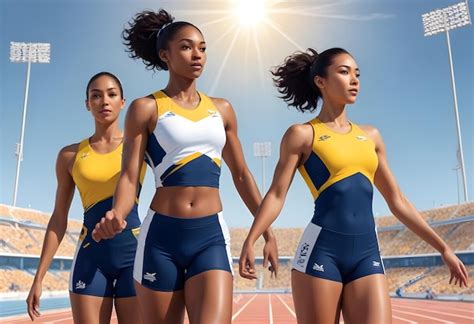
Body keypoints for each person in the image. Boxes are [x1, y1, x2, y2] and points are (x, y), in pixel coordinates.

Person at [239, 48, 468, 323]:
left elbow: (397, 200)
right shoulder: (302, 135)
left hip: (367, 254)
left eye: (357, 74)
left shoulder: (371, 136)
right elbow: (276, 195)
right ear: (320, 81)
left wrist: (443, 248)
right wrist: (252, 239)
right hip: (320, 252)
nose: (355, 80)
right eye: (344, 72)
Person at [91, 9, 278, 324]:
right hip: (161, 238)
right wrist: (118, 213)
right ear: (165, 54)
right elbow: (128, 176)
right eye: (187, 47)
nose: (198, 55)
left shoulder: (222, 109)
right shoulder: (145, 108)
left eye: (203, 48)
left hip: (210, 236)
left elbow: (243, 174)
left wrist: (267, 232)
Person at [26, 72, 145, 323]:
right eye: (96, 95)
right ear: (87, 104)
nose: (104, 101)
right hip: (91, 257)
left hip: (134, 255)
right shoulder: (69, 156)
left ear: (122, 102)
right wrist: (38, 278)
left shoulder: (140, 145)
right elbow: (58, 219)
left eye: (112, 94)